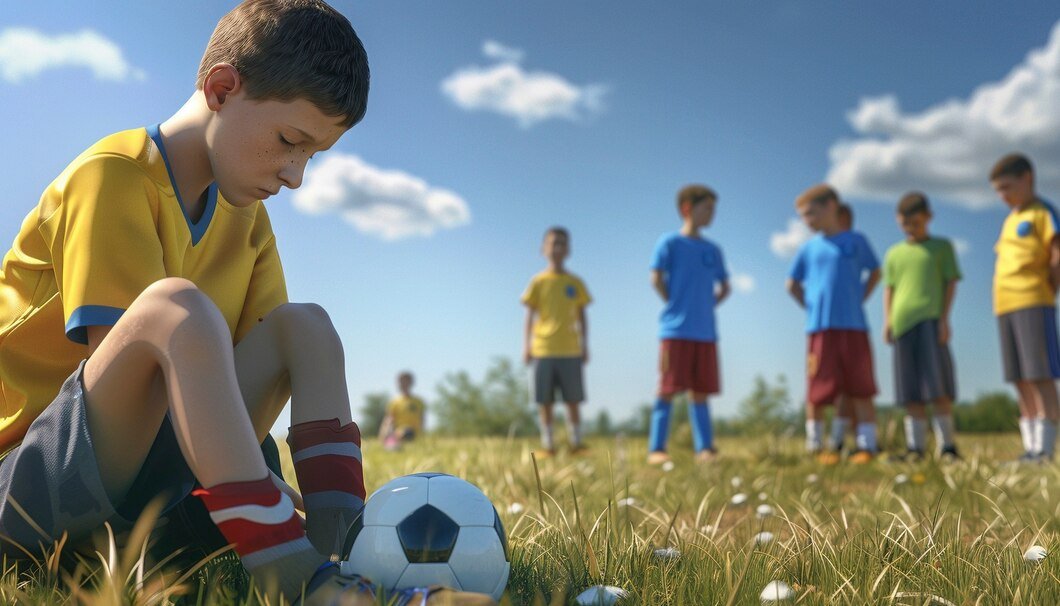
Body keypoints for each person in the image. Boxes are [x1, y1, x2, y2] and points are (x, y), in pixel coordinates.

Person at [0, 2, 491, 604]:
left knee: (305, 326)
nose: (295, 176)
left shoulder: (247, 221)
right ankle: (298, 578)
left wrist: (266, 483)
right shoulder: (113, 175)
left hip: (155, 505)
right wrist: (258, 482)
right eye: (289, 140)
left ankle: (348, 557)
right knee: (175, 309)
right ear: (222, 87)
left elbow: (237, 378)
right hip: (31, 495)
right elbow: (143, 376)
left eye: (312, 155)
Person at [786, 184, 881, 464]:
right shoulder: (808, 249)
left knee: (861, 387)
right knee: (817, 390)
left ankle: (867, 446)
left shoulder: (856, 242)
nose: (807, 221)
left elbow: (875, 271)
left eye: (810, 213)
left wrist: (860, 296)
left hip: (855, 328)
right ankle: (816, 446)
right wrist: (810, 306)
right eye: (803, 216)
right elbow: (791, 284)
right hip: (819, 329)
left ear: (831, 207)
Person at [647, 185, 730, 465]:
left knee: (701, 390)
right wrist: (674, 301)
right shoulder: (669, 243)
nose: (711, 214)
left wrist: (707, 307)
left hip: (705, 332)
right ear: (687, 208)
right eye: (706, 208)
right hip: (675, 330)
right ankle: (657, 448)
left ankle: (704, 448)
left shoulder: (713, 250)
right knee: (667, 388)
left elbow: (725, 286)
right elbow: (656, 277)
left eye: (713, 209)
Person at [990, 153, 1060, 463]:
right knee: (1019, 377)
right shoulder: (1010, 219)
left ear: (1027, 178)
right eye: (998, 191)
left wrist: (1050, 286)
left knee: (1039, 373)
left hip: (1033, 298)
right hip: (1005, 305)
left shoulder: (1042, 212)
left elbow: (1056, 252)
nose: (1003, 196)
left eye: (1007, 187)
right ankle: (1030, 447)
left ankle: (1045, 450)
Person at [882, 192, 961, 460]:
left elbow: (951, 283)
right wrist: (888, 320)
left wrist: (944, 318)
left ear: (928, 218)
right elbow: (889, 289)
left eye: (915, 222)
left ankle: (947, 446)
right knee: (910, 390)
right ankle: (915, 448)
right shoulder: (894, 253)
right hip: (902, 325)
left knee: (937, 386)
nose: (910, 228)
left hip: (930, 321)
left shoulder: (941, 247)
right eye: (905, 224)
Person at [521, 227, 591, 457]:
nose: (558, 248)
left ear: (568, 249)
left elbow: (582, 315)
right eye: (553, 243)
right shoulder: (538, 282)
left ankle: (576, 443)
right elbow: (530, 316)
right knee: (546, 400)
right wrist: (527, 345)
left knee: (573, 399)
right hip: (543, 348)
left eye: (562, 243)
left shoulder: (575, 282)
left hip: (570, 348)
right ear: (544, 249)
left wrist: (585, 344)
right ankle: (548, 445)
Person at [379, 371, 426, 450]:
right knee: (402, 434)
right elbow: (388, 420)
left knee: (408, 432)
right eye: (402, 381)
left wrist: (422, 435)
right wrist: (383, 436)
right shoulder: (395, 402)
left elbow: (422, 419)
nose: (404, 384)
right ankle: (393, 443)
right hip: (399, 433)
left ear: (411, 382)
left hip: (414, 434)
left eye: (406, 381)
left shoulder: (418, 402)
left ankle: (395, 444)